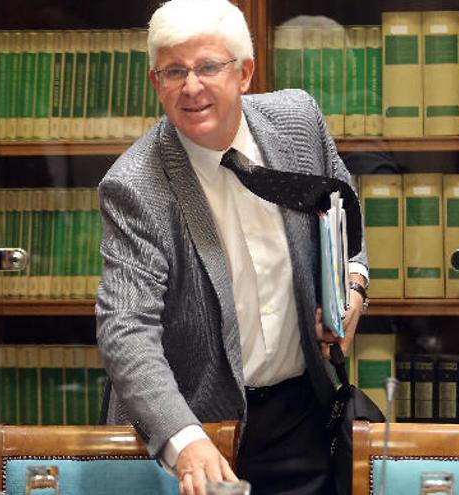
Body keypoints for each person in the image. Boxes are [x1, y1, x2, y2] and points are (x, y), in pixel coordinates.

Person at [95, 0, 369, 493]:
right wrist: (186, 439)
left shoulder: (298, 122)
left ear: (244, 73)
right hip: (196, 432)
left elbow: (345, 219)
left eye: (207, 67)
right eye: (174, 71)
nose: (191, 87)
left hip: (300, 415)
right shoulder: (135, 187)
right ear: (156, 83)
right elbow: (125, 328)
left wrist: (354, 286)